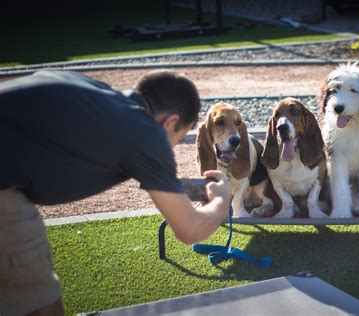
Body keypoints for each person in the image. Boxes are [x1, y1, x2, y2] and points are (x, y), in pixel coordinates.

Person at [0, 70, 232, 315]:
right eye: (178, 138)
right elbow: (190, 229)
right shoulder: (146, 133)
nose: (170, 148)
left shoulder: (96, 93)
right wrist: (221, 198)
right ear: (170, 122)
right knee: (39, 304)